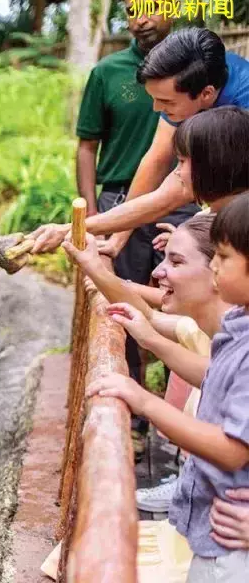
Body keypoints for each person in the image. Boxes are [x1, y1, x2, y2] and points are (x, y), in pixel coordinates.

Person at [87, 193, 249, 581]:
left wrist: (143, 400)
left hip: (230, 547)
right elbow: (214, 379)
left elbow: (232, 450)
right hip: (213, 531)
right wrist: (150, 339)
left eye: (223, 257)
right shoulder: (237, 327)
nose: (213, 266)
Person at [29, 28, 249, 255]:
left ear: (206, 94)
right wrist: (117, 240)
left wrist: (72, 228)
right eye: (154, 99)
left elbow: (173, 195)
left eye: (165, 101)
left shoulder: (242, 107)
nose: (157, 109)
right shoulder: (191, 83)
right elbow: (156, 160)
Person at [73, 0, 181, 392]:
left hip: (182, 203)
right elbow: (87, 147)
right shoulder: (107, 72)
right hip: (119, 201)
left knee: (187, 303)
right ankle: (130, 405)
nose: (141, 21)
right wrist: (96, 213)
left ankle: (182, 406)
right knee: (120, 301)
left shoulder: (198, 67)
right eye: (132, 11)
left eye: (151, 8)